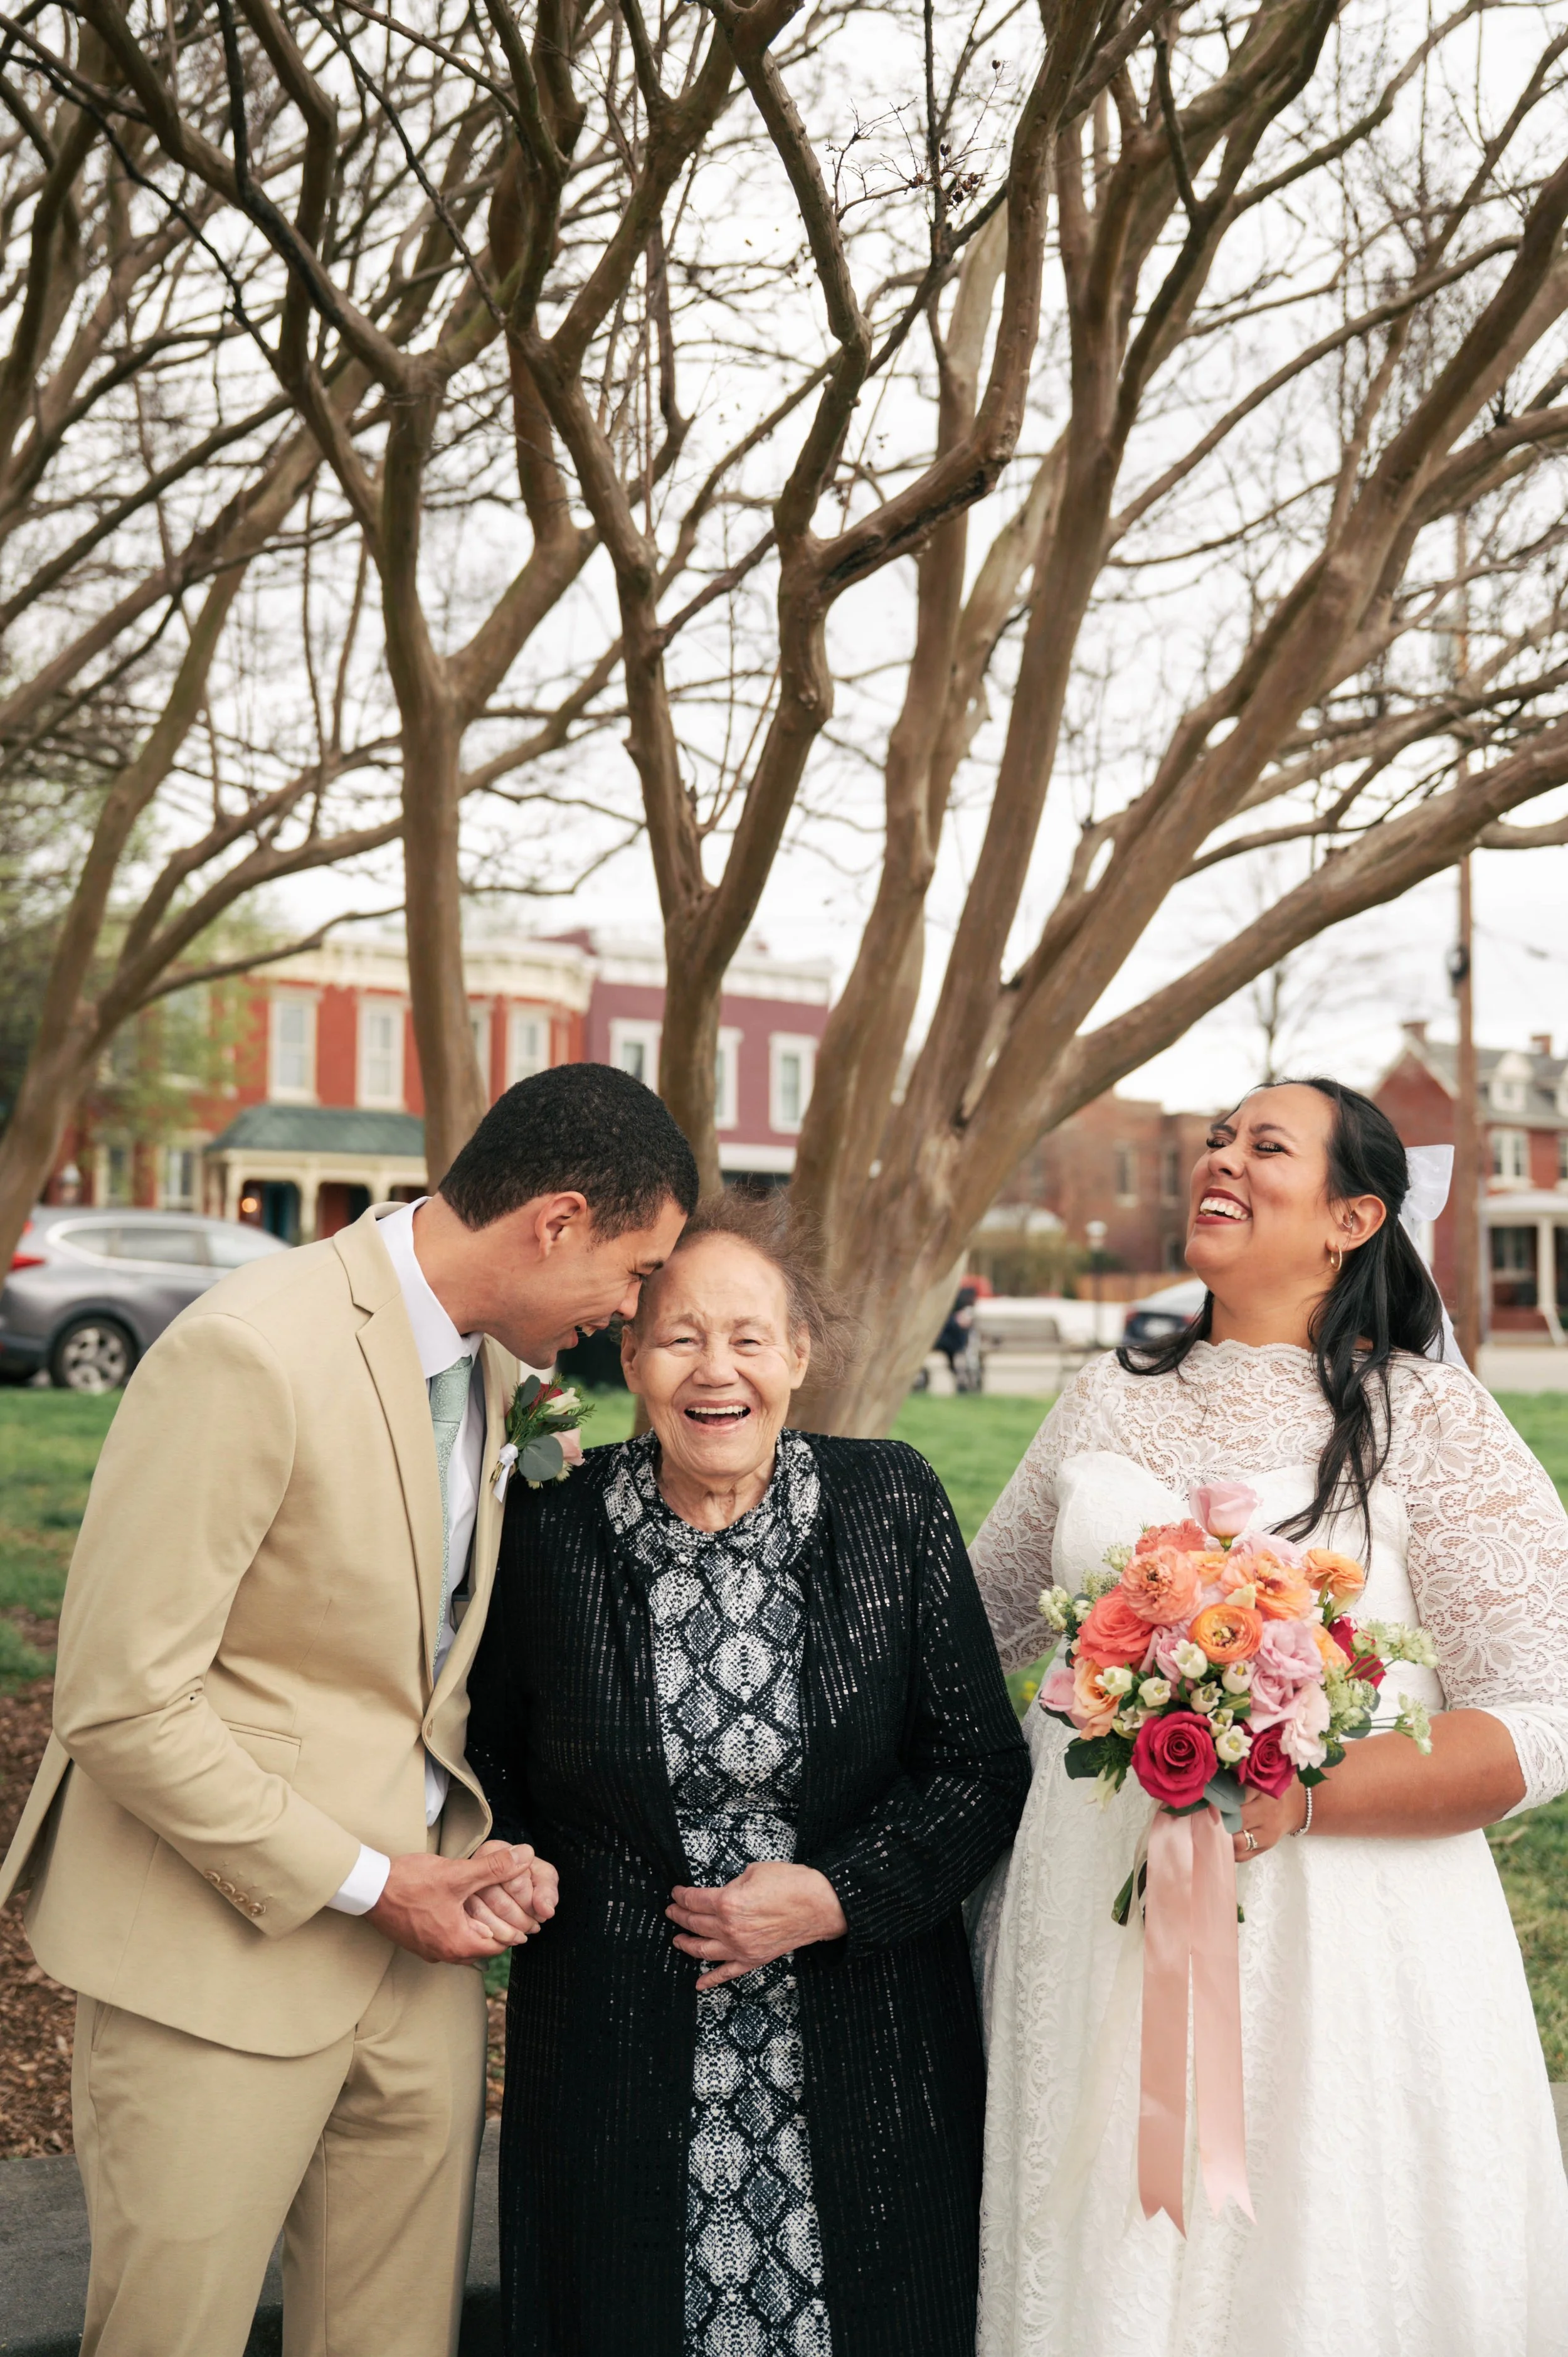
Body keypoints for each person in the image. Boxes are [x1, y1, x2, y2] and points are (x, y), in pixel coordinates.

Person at [0, 1062, 697, 2357]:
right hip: (214, 1955)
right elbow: (120, 1702)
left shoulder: (501, 1379)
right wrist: (375, 1881)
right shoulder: (247, 1351)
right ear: (554, 1224)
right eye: (639, 1271)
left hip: (419, 1969)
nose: (629, 1310)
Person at [970, 1078, 1568, 2356]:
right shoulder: (1101, 1403)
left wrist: (1303, 1786)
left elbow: (1540, 1711)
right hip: (1097, 1914)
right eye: (1213, 1141)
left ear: (1351, 1216)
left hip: (1340, 1940)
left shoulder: (1429, 1420)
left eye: (1263, 1145)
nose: (1219, 1160)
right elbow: (968, 1639)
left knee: (1309, 2246)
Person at [465, 1191, 1030, 2357]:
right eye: (678, 1337)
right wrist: (502, 1854)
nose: (714, 1371)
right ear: (629, 1354)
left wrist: (836, 1897)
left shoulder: (891, 1504)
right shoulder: (551, 1529)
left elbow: (980, 1771)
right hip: (616, 2047)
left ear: (801, 1357)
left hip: (868, 2038)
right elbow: (489, 1757)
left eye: (748, 1338)